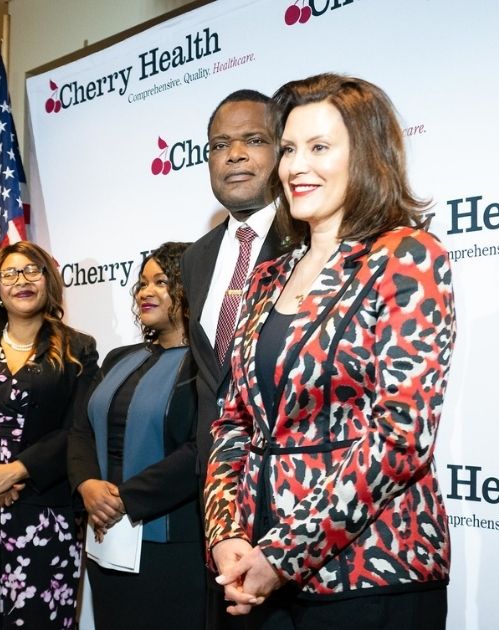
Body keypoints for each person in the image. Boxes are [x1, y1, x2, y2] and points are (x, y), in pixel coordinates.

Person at [204, 73, 456, 629]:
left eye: (319, 148)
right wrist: (226, 535)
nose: (296, 167)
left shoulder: (405, 256)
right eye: (289, 149)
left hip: (372, 574)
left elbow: (401, 436)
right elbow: (232, 422)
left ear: (366, 155)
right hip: (257, 573)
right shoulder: (270, 276)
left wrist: (283, 553)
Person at [0, 240, 99, 629]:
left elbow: (77, 427)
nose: (21, 281)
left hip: (45, 512)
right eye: (10, 273)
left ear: (48, 282)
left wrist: (15, 471)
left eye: (33, 271)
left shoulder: (78, 348)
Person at [179, 88, 286, 630]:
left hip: (295, 502)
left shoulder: (310, 242)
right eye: (220, 144)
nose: (235, 155)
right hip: (218, 503)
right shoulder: (196, 258)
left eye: (253, 140)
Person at [68, 241, 204, 630]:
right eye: (143, 283)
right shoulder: (118, 358)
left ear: (190, 286)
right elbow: (81, 430)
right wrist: (88, 485)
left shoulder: (206, 363)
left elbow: (200, 448)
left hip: (172, 543)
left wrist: (124, 499)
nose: (146, 292)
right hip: (105, 534)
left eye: (162, 282)